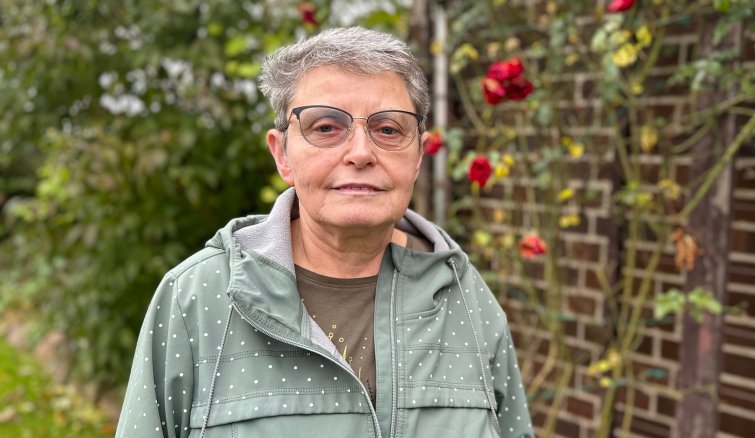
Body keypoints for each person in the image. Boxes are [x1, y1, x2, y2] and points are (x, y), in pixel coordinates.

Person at [116, 27, 533, 437]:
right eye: (326, 128)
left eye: (388, 129)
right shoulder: (200, 299)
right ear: (282, 155)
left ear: (419, 156)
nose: (360, 153)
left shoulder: (465, 297)